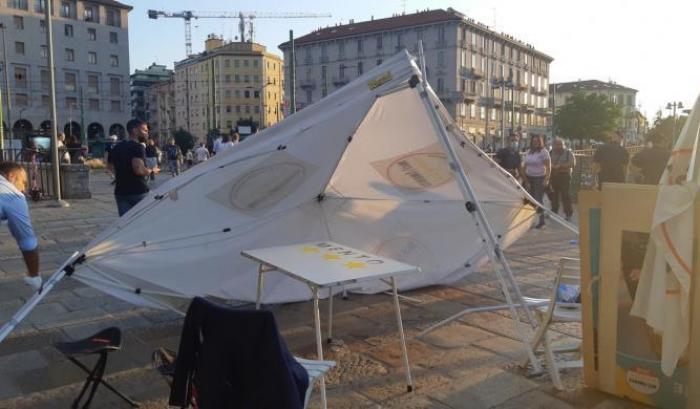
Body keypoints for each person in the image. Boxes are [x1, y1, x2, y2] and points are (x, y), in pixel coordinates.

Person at [0, 162, 41, 290]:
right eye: (23, 182)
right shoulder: (13, 195)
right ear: (11, 176)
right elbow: (27, 242)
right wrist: (34, 276)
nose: (24, 188)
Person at [107, 119, 158, 216]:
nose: (147, 133)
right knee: (142, 222)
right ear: (135, 131)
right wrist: (151, 171)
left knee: (126, 224)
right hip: (138, 191)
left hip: (121, 192)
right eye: (145, 130)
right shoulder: (138, 147)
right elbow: (138, 170)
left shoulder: (117, 147)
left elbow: (109, 166)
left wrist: (122, 173)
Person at [521, 134, 551, 229]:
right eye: (534, 141)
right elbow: (524, 166)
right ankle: (530, 220)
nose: (535, 143)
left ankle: (542, 221)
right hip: (529, 177)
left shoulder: (544, 152)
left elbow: (549, 167)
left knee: (538, 200)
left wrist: (546, 179)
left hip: (539, 178)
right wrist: (525, 180)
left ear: (540, 142)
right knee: (529, 200)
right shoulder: (529, 152)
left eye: (537, 141)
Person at [549, 138, 576, 221]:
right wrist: (552, 166)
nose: (559, 146)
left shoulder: (568, 152)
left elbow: (572, 163)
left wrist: (561, 166)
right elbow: (547, 162)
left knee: (565, 195)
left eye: (560, 144)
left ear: (563, 145)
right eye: (557, 144)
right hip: (554, 176)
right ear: (554, 145)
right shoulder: (550, 152)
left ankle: (568, 214)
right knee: (554, 195)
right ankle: (554, 212)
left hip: (565, 176)